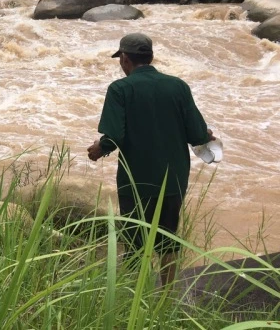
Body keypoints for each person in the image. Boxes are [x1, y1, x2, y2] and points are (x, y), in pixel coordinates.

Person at [87, 33, 214, 286]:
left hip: (136, 181)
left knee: (134, 241)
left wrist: (98, 149)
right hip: (173, 178)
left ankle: (135, 294)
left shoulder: (120, 89)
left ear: (124, 59)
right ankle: (166, 295)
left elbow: (113, 137)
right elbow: (197, 134)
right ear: (151, 56)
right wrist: (207, 134)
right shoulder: (178, 86)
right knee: (168, 240)